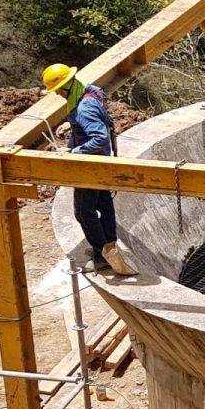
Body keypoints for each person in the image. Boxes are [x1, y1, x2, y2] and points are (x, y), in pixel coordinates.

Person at [43, 63, 134, 276]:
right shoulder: (88, 91)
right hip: (102, 162)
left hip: (90, 165)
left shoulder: (83, 108)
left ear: (65, 86)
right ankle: (109, 245)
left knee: (83, 211)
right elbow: (98, 120)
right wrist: (73, 126)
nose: (56, 93)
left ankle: (101, 256)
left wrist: (74, 152)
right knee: (103, 202)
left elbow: (100, 137)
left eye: (57, 89)